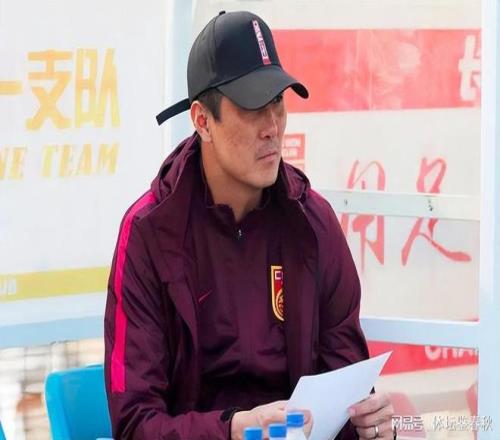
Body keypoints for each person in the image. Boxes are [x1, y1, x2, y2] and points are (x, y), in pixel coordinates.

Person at [104, 10, 394, 440]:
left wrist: (371, 426)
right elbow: (134, 424)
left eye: (277, 102)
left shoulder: (314, 224)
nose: (272, 128)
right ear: (202, 120)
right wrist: (236, 430)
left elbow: (343, 389)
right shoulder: (149, 233)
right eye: (253, 107)